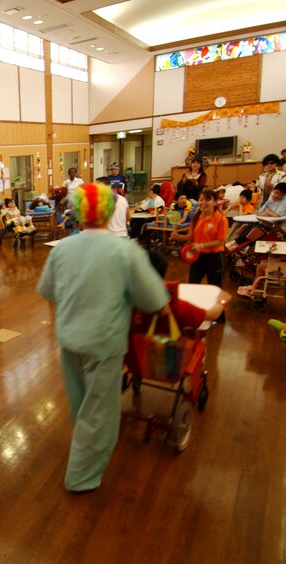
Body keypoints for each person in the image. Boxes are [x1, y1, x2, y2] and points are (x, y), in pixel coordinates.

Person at [36, 183, 168, 492]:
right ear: (110, 211)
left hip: (69, 339)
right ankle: (81, 476)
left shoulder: (62, 248)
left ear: (78, 212)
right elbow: (154, 300)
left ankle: (84, 447)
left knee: (81, 403)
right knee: (98, 411)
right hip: (103, 342)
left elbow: (48, 291)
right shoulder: (125, 251)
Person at [170, 189, 228, 317]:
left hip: (215, 257)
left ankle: (218, 317)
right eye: (201, 200)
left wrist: (201, 245)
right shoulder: (196, 217)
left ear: (215, 202)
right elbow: (192, 236)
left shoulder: (221, 219)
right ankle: (193, 314)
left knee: (215, 288)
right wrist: (178, 236)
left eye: (207, 200)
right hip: (198, 257)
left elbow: (221, 241)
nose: (203, 203)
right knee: (193, 285)